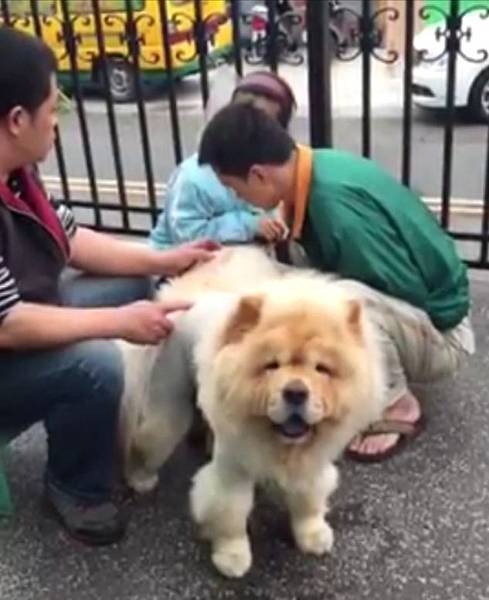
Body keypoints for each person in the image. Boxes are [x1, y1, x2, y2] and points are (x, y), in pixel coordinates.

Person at [0, 26, 218, 546]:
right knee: (96, 363)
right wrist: (119, 325)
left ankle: (124, 416)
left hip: (24, 317)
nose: (58, 121)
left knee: (131, 282)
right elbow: (7, 325)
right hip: (7, 338)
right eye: (53, 107)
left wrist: (169, 257)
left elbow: (72, 240)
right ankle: (75, 485)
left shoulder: (17, 174)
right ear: (16, 120)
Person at [197, 102, 475, 462]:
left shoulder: (335, 208)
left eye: (235, 189)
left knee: (341, 303)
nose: (238, 198)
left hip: (444, 334)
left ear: (258, 175)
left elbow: (403, 293)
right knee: (285, 276)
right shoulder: (315, 168)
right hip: (419, 311)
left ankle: (396, 404)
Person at [148, 71, 297, 250]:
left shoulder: (272, 167)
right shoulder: (194, 177)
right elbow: (185, 233)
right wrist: (248, 225)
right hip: (180, 263)